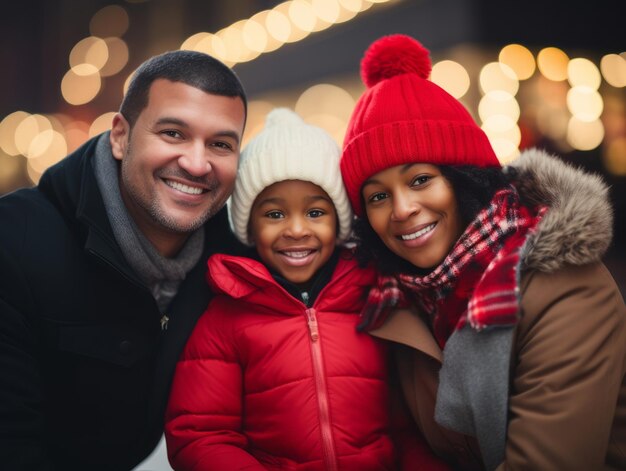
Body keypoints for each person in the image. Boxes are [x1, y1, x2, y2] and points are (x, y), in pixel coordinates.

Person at [339, 34, 626, 471]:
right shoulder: (401, 299)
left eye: (419, 180)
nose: (401, 210)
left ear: (464, 179)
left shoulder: (563, 285)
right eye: (377, 197)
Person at [164, 108, 451, 470]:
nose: (297, 230)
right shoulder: (225, 319)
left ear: (340, 222)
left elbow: (409, 426)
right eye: (274, 214)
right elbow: (200, 435)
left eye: (315, 213)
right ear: (250, 228)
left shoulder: (375, 301)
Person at [0, 50, 247, 470]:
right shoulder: (14, 243)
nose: (197, 162)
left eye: (220, 144)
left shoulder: (238, 257)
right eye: (173, 133)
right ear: (120, 136)